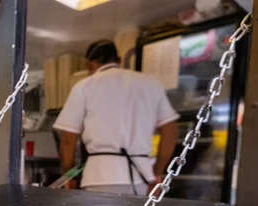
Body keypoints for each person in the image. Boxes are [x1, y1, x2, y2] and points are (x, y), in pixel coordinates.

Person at [54, 39, 179, 195]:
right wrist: (156, 172)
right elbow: (171, 132)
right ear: (119, 60)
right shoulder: (152, 84)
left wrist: (68, 175)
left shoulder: (84, 86)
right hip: (142, 177)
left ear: (89, 65)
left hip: (99, 177)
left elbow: (67, 140)